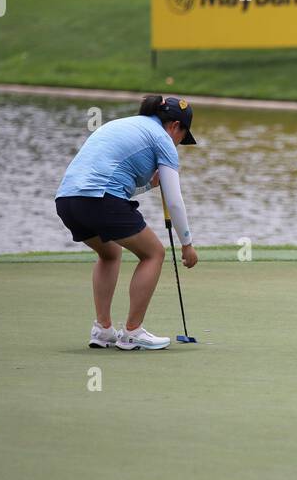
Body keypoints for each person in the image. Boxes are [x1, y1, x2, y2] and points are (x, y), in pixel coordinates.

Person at [55, 95, 199, 351]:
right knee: (153, 253)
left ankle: (103, 330)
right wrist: (187, 244)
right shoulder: (162, 138)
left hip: (67, 201)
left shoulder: (125, 124)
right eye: (182, 138)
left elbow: (115, 184)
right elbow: (175, 201)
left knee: (109, 252)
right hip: (99, 199)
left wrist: (147, 185)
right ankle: (132, 332)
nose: (177, 145)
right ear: (175, 126)